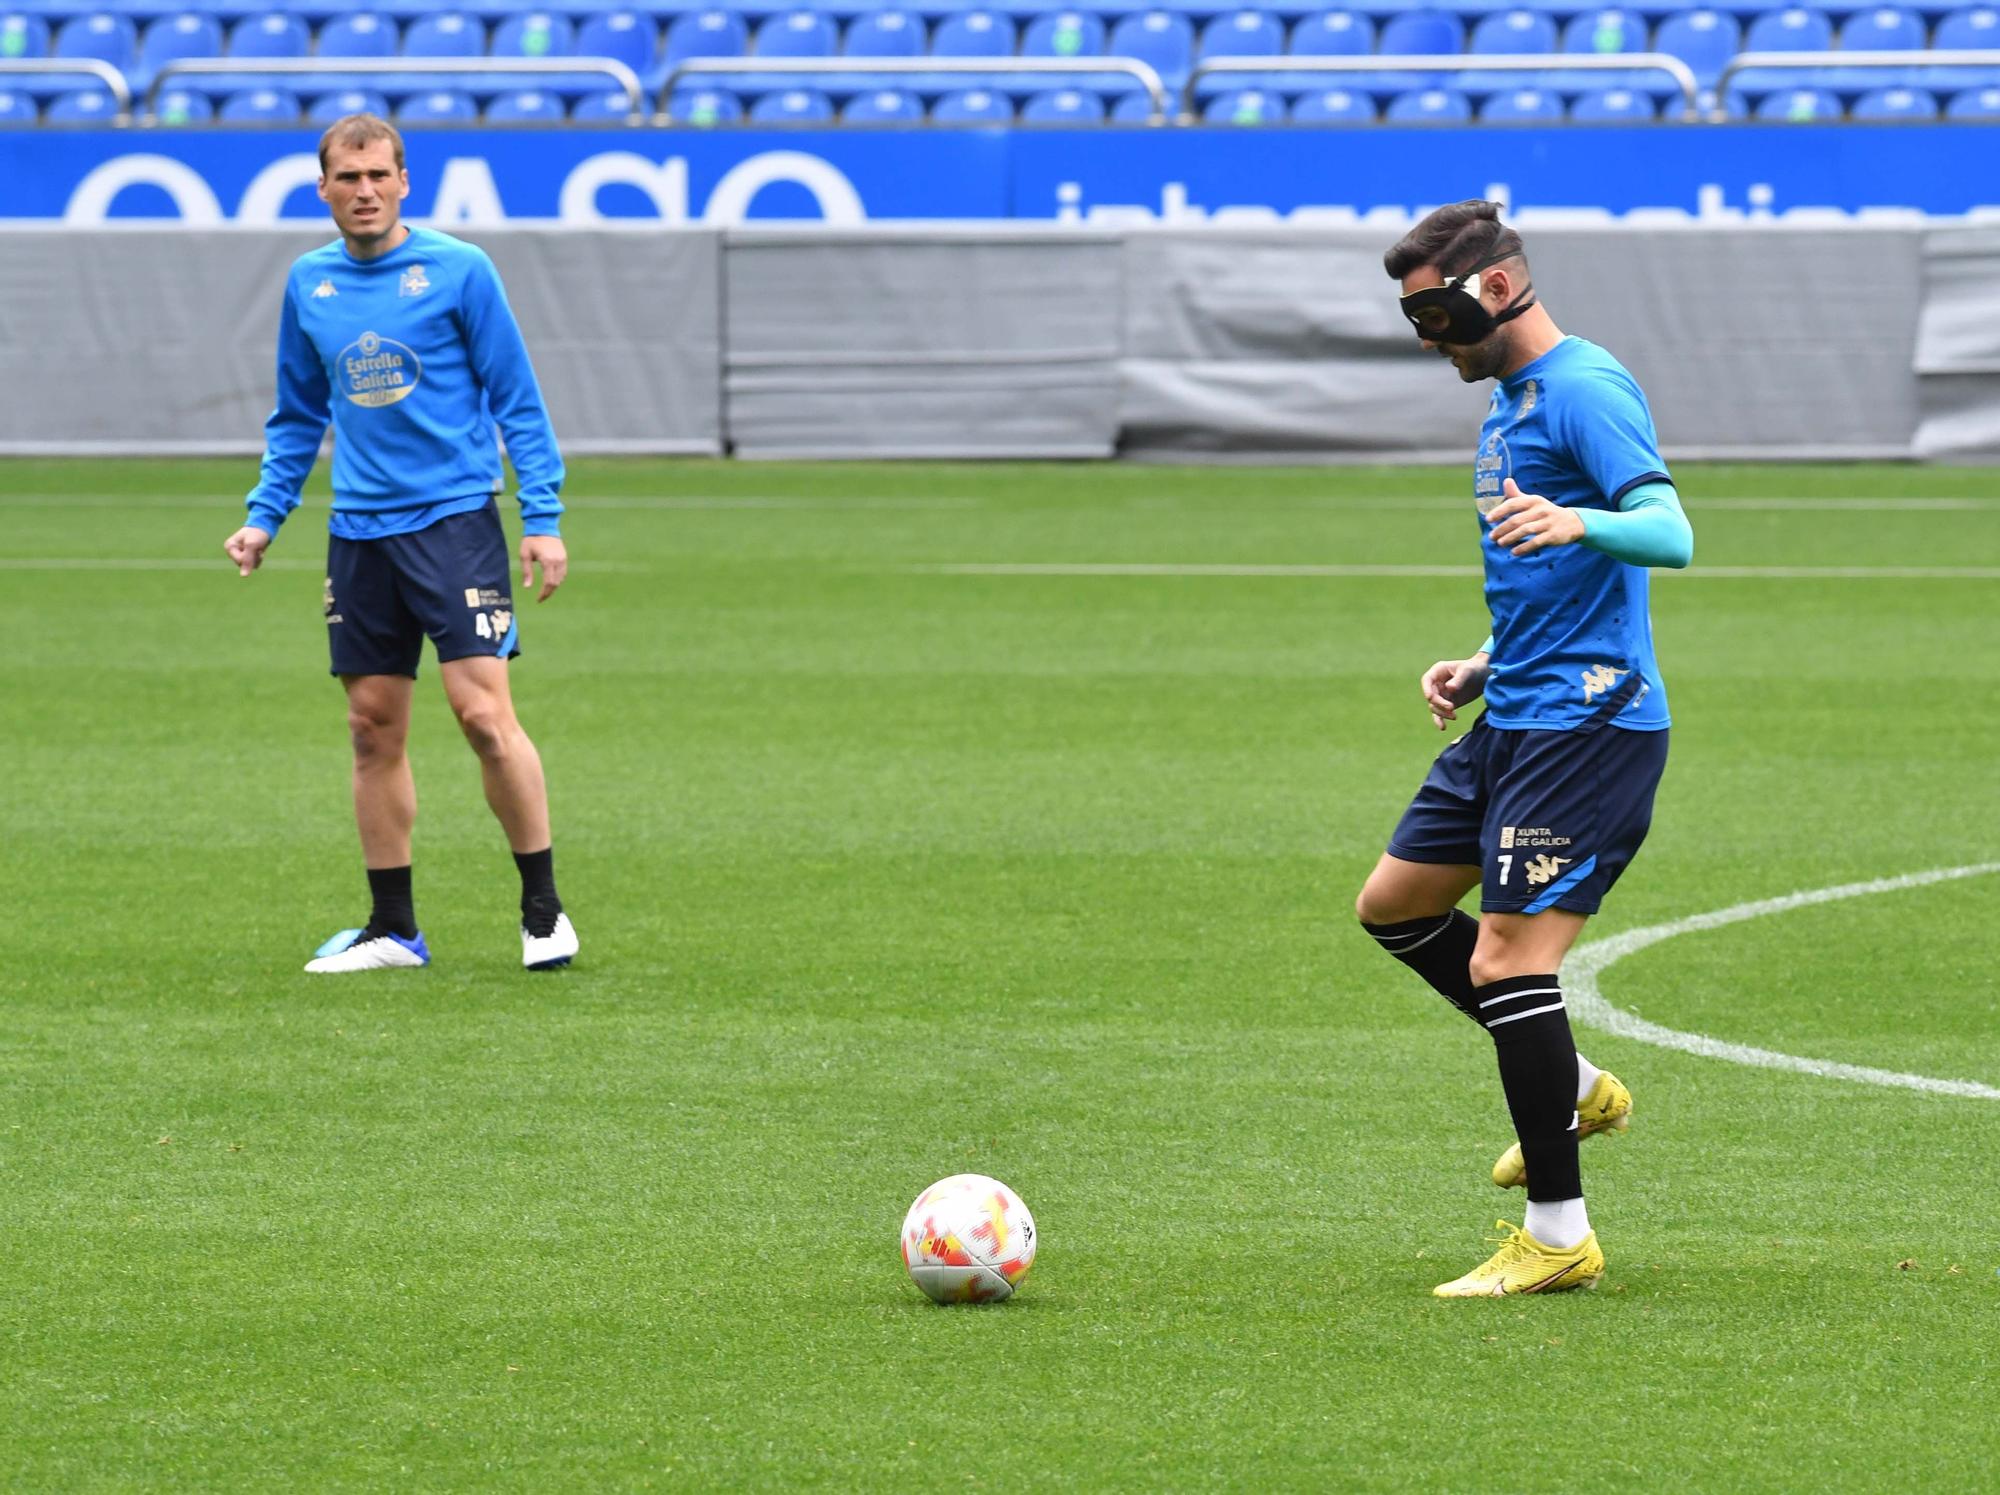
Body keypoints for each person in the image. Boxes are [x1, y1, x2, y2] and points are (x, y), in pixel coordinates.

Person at [1354, 200, 1693, 1297]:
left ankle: (1557, 1235)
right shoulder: (1510, 402)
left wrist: (1581, 519)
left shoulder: (1586, 388)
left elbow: (1670, 530)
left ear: (1495, 288)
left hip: (1587, 728)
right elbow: (1552, 583)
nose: (1428, 340)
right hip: (1516, 712)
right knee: (1396, 907)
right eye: (1412, 320)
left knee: (1507, 961)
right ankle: (1577, 1083)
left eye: (1436, 315)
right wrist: (1484, 660)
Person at [223, 113, 578, 975]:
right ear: (323, 188)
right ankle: (393, 929)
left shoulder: (461, 269)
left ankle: (544, 913)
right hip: (359, 534)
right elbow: (298, 413)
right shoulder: (309, 282)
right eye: (348, 178)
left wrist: (541, 517)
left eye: (379, 175)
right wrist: (265, 515)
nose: (365, 191)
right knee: (370, 728)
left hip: (454, 522)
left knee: (483, 717)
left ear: (404, 181)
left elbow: (518, 399)